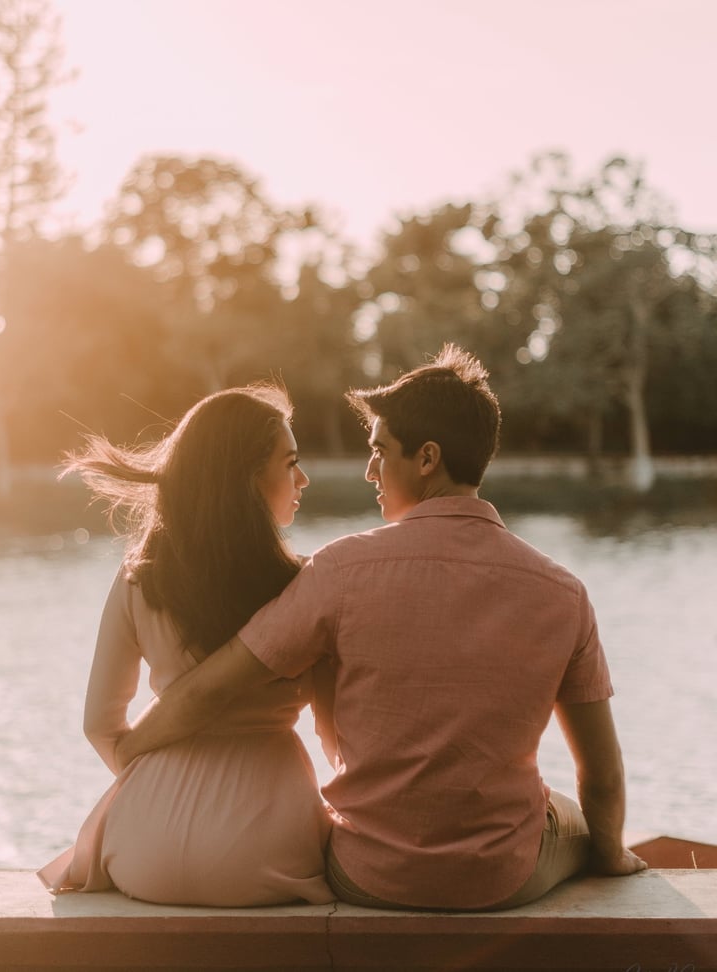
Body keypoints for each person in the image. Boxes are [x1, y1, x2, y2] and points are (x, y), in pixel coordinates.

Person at [113, 346, 647, 911]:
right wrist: (610, 855)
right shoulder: (562, 592)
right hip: (500, 880)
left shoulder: (339, 570)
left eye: (379, 451)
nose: (370, 470)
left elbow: (211, 688)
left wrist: (130, 750)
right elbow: (603, 773)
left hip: (367, 874)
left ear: (427, 459)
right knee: (574, 821)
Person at [38, 385, 334, 906]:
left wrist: (162, 786)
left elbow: (98, 725)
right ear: (245, 477)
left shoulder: (138, 578)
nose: (302, 479)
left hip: (142, 846)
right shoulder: (306, 585)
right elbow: (339, 734)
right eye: (290, 463)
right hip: (267, 845)